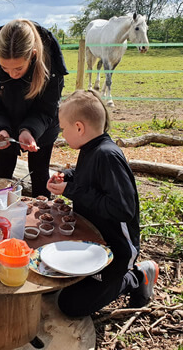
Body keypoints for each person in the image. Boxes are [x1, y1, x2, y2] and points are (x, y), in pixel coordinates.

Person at [47, 90, 159, 317]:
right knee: (50, 284)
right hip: (93, 241)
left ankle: (137, 277)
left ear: (79, 127)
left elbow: (122, 209)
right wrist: (67, 176)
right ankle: (93, 280)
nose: (62, 133)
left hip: (116, 250)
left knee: (71, 305)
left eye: (63, 128)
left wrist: (71, 190)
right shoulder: (90, 149)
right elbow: (87, 177)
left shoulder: (107, 155)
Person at [0, 19, 68, 197]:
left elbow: (47, 108)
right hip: (6, 120)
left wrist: (29, 130)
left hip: (43, 126)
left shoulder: (50, 60)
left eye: (18, 68)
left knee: (40, 175)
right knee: (2, 174)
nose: (12, 75)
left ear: (32, 55)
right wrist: (0, 129)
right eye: (5, 68)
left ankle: (41, 219)